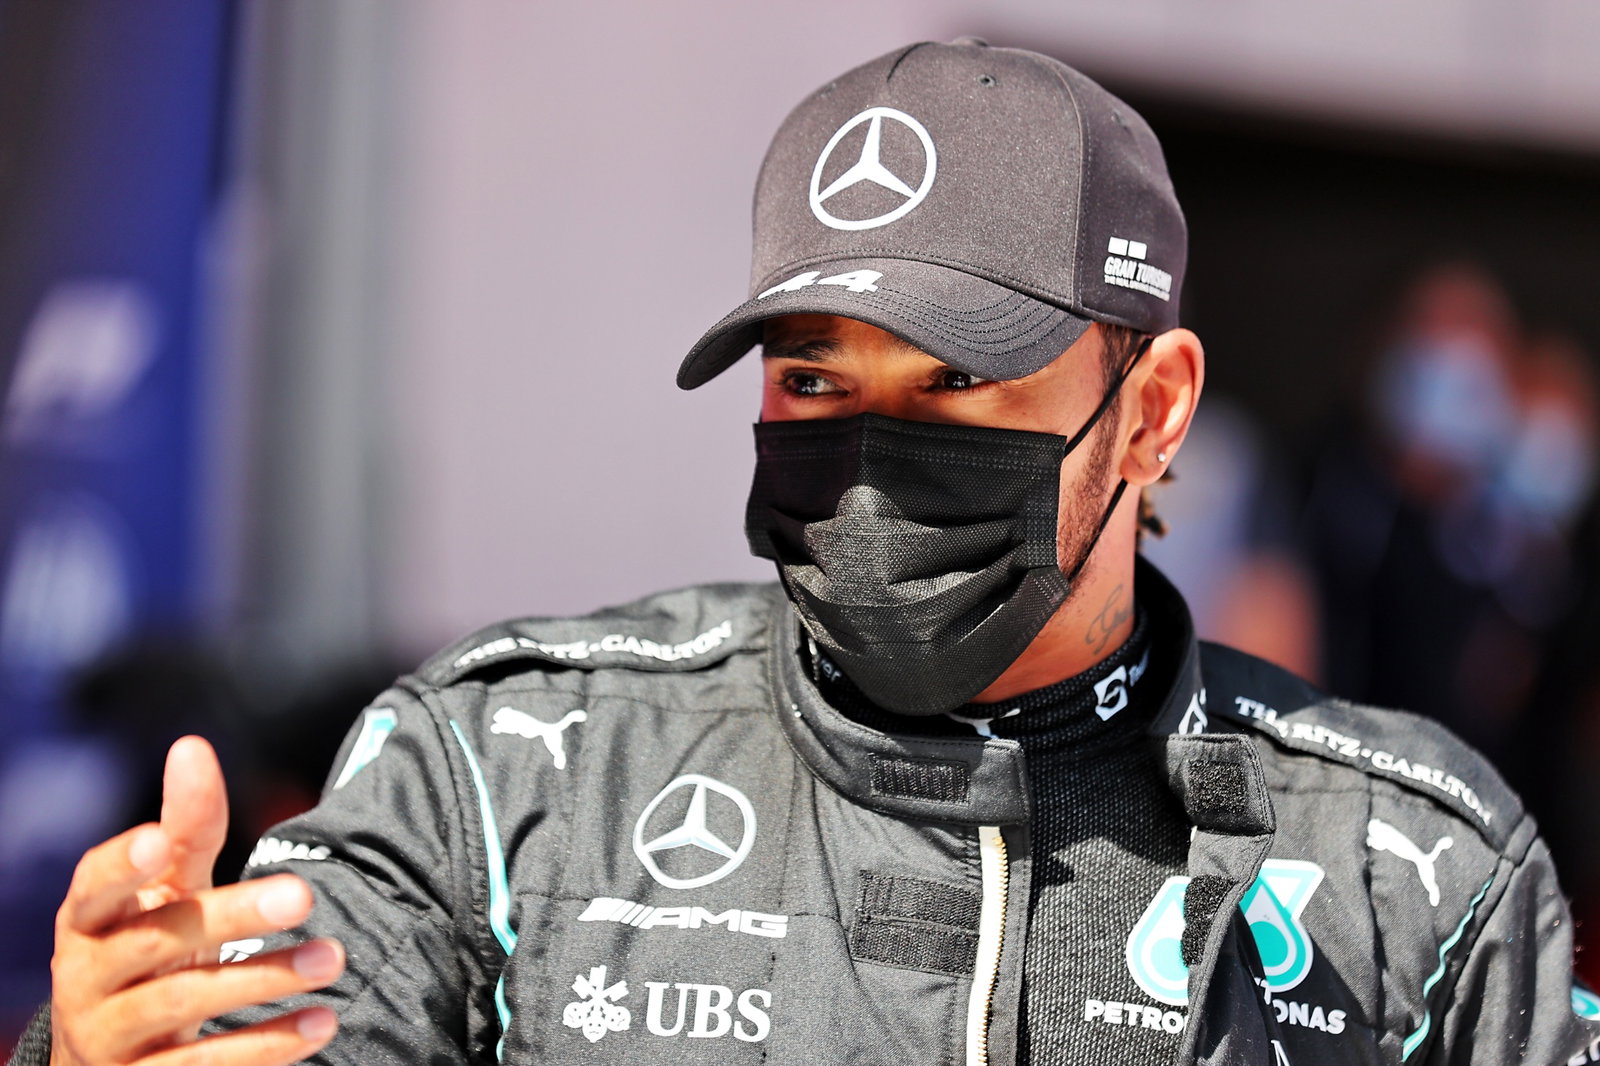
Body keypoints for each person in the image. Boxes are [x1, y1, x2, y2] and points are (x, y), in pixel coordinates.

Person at [18, 39, 1600, 1066]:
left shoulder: (1421, 876)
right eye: (815, 382)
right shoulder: (505, 778)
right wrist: (99, 1047)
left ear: (1155, 406)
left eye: (960, 382)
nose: (873, 456)